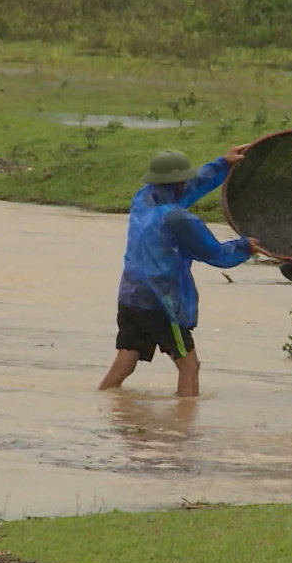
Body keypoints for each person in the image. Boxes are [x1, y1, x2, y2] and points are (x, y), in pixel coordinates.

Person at [99, 145, 264, 397]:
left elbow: (191, 188)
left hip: (130, 297)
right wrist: (244, 247)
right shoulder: (178, 220)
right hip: (161, 304)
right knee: (189, 365)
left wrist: (223, 164)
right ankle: (185, 418)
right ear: (180, 182)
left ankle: (103, 401)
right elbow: (215, 254)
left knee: (127, 359)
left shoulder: (142, 199)